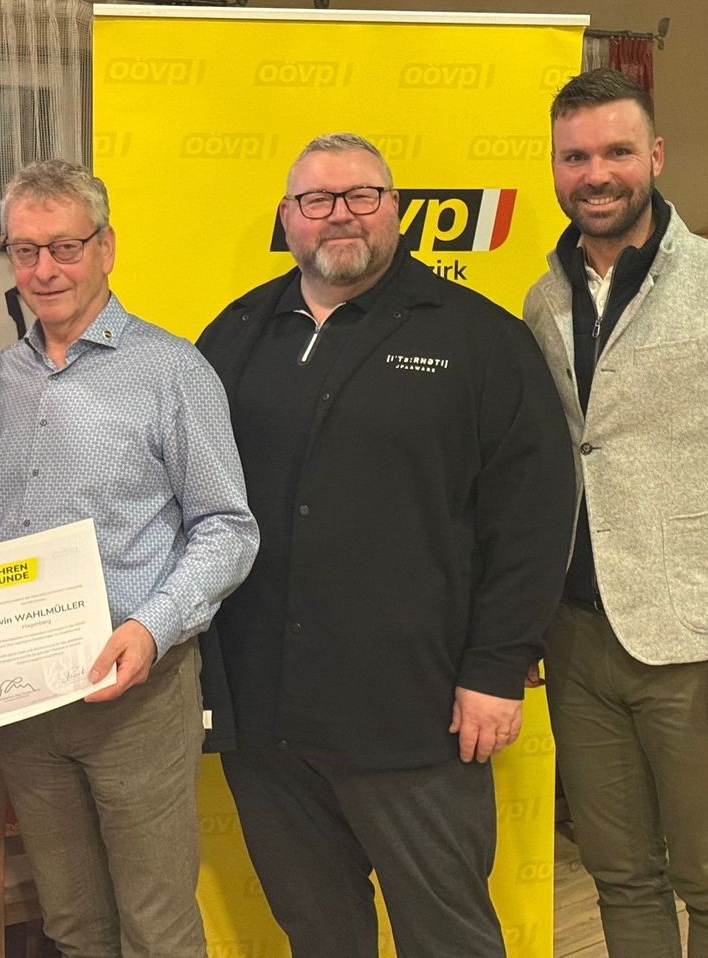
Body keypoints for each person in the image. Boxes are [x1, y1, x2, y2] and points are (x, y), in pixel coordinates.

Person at [196, 133, 576, 958]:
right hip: (265, 719)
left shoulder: (478, 339)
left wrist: (496, 667)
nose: (339, 215)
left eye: (361, 196)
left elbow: (535, 515)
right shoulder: (236, 333)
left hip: (414, 716)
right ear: (287, 218)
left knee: (448, 940)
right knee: (318, 937)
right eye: (317, 200)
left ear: (395, 209)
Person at [523, 69, 708, 958]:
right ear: (555, 167)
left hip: (697, 644)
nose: (596, 174)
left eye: (616, 151)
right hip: (576, 638)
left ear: (655, 156)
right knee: (621, 874)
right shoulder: (544, 297)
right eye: (575, 156)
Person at [0, 158, 258, 958]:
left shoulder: (172, 372)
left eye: (65, 247)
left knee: (157, 928)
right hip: (26, 702)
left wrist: (151, 628)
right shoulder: (1, 382)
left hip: (137, 700)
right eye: (25, 251)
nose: (44, 270)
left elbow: (228, 527)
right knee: (73, 926)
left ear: (106, 247)